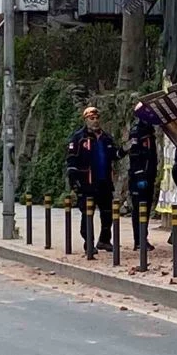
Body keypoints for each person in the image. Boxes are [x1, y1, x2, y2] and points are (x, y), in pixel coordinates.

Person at [66, 106, 127, 254]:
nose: (95, 121)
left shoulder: (106, 137)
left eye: (97, 118)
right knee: (87, 214)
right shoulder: (78, 138)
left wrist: (125, 150)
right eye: (91, 118)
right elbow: (71, 162)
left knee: (107, 213)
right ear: (86, 120)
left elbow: (115, 155)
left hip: (104, 182)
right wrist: (76, 184)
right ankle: (89, 243)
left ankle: (104, 240)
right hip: (87, 183)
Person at [127, 113, 158, 251]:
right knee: (139, 209)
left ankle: (143, 238)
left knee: (145, 208)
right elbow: (134, 155)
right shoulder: (137, 132)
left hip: (148, 176)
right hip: (139, 177)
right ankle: (138, 240)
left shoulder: (149, 131)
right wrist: (139, 175)